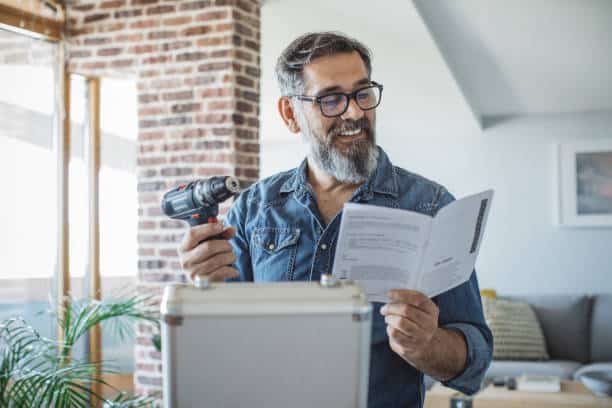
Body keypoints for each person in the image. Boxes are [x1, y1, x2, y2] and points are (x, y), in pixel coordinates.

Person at [178, 31, 493, 408]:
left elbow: (474, 362)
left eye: (362, 93)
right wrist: (201, 292)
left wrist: (427, 345)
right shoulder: (252, 210)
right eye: (331, 100)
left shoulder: (431, 206)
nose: (355, 112)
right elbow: (224, 346)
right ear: (290, 114)